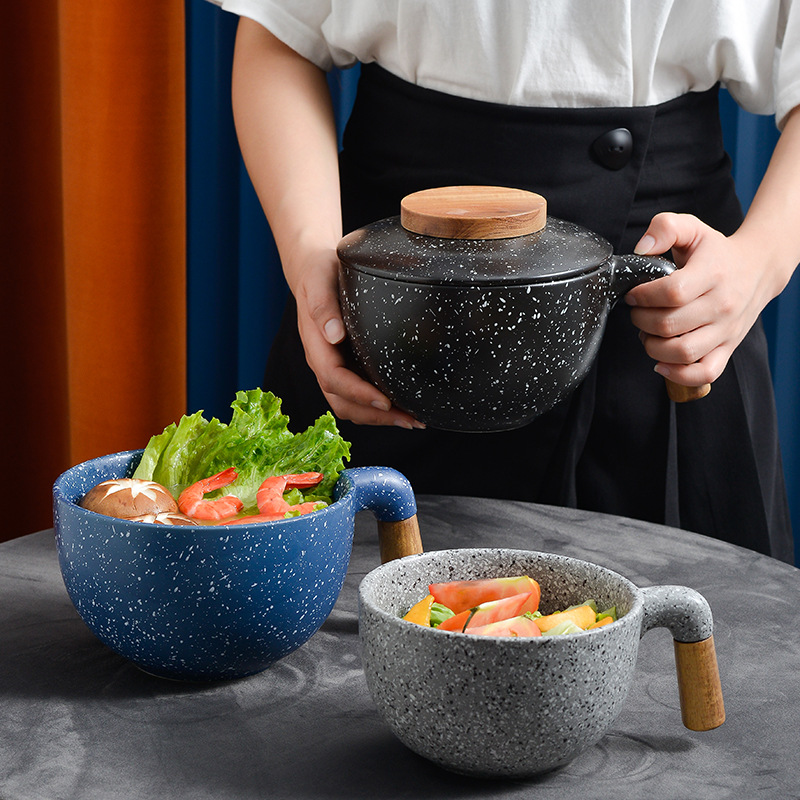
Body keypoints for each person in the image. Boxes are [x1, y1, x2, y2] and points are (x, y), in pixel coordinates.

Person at [210, 0, 799, 563]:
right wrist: (309, 255)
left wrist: (757, 263)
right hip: (388, 305)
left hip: (668, 307)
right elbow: (281, 31)